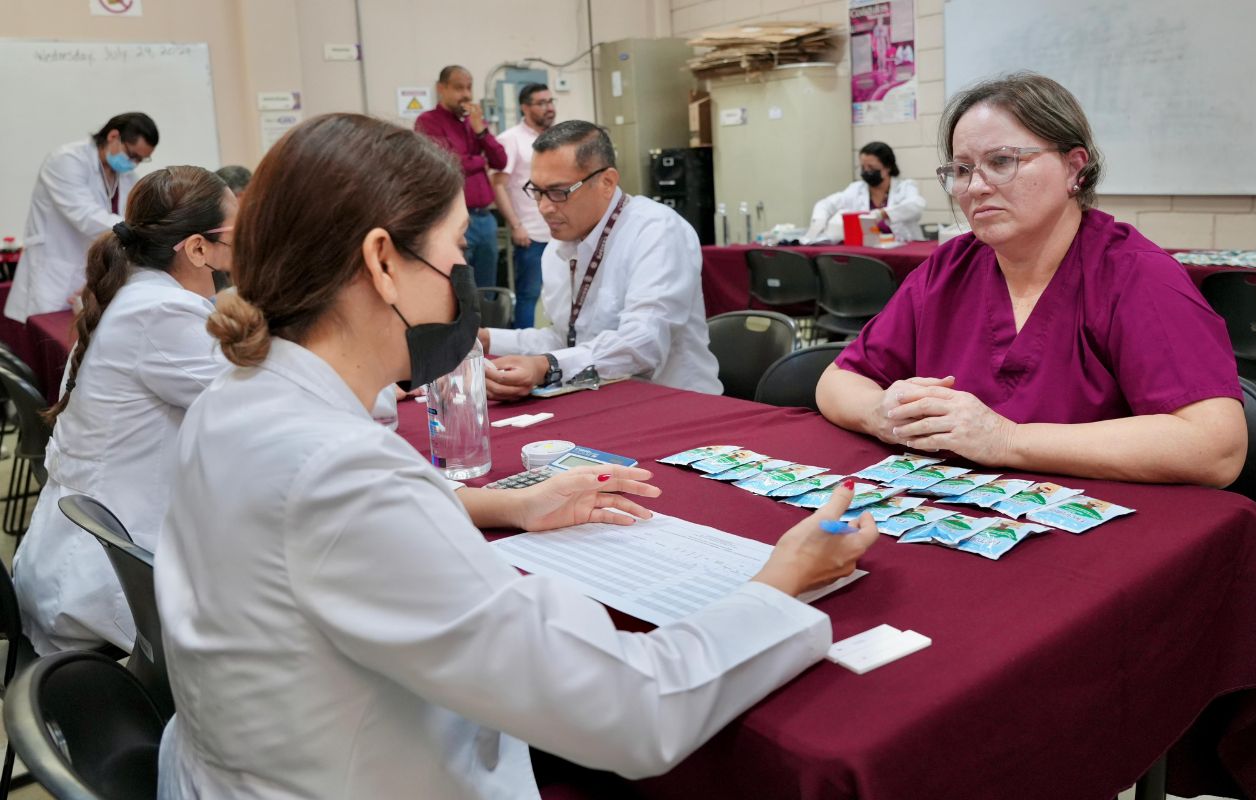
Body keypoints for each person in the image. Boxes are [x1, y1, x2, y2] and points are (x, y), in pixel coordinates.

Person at [153, 112, 876, 799]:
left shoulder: (238, 399)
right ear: (381, 262)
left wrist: (511, 503)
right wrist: (778, 583)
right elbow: (635, 710)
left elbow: (321, 528)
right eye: (456, 251)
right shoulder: (341, 469)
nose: (463, 276)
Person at [816, 73, 1246, 488]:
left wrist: (1006, 439)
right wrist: (879, 412)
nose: (977, 187)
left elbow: (1215, 447)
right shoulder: (946, 270)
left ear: (1074, 168)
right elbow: (836, 380)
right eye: (962, 170)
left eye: (1002, 161)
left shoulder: (1136, 276)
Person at [13, 166, 234, 655]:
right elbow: (265, 401)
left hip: (86, 559)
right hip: (102, 590)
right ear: (197, 249)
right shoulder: (160, 312)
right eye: (236, 235)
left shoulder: (139, 296)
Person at [481, 121, 723, 399]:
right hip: (599, 397)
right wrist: (488, 339)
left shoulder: (657, 231)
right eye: (537, 191)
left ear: (607, 183)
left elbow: (644, 343)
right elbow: (566, 339)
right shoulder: (558, 246)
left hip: (678, 404)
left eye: (559, 192)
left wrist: (547, 365)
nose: (545, 208)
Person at [5, 112, 159, 322]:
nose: (134, 164)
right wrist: (140, 230)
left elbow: (133, 216)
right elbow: (86, 217)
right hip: (54, 272)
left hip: (90, 275)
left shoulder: (127, 176)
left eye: (141, 159)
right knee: (50, 335)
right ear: (113, 136)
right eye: (132, 155)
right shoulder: (66, 160)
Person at [415, 65, 507, 288]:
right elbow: (447, 163)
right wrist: (480, 160)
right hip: (453, 219)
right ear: (441, 89)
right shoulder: (428, 121)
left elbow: (501, 161)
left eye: (469, 88)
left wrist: (481, 132)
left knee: (487, 289)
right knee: (459, 289)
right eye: (458, 88)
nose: (466, 95)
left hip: (485, 219)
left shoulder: (473, 122)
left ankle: (486, 324)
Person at [492, 82, 557, 328]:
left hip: (561, 232)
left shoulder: (556, 138)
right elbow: (498, 185)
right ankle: (525, 351)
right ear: (525, 107)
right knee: (529, 295)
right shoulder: (511, 140)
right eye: (541, 103)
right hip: (531, 234)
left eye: (550, 102)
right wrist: (516, 225)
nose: (549, 108)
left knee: (564, 295)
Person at [803, 141, 926, 244]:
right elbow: (825, 204)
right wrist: (818, 225)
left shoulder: (905, 187)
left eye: (871, 168)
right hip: (868, 252)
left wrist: (882, 214)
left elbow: (916, 205)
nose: (866, 172)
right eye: (863, 167)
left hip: (904, 247)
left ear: (888, 167)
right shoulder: (856, 189)